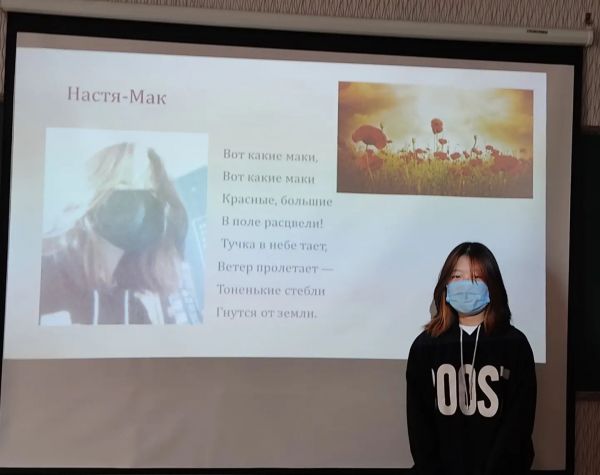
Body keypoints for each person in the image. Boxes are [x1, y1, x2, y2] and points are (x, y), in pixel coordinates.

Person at [406, 242, 536, 475]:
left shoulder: (514, 345)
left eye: (477, 277)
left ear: (492, 285)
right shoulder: (425, 347)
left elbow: (518, 424)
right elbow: (419, 426)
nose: (466, 284)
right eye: (457, 276)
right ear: (445, 284)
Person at [39, 142, 200, 325]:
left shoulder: (134, 311)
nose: (142, 205)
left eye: (150, 190)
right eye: (126, 185)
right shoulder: (44, 274)